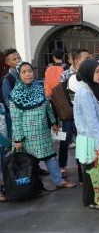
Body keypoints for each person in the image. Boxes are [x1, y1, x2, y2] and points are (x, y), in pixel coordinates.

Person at [10, 61, 76, 191]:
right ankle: (30, 186)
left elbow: (48, 107)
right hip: (26, 137)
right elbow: (15, 120)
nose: (28, 74)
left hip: (42, 132)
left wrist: (53, 123)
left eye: (29, 71)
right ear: (19, 75)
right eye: (24, 72)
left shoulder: (38, 88)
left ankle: (58, 181)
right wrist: (18, 139)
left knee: (50, 156)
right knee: (29, 162)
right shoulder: (15, 95)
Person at [73, 60, 99, 207]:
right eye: (97, 71)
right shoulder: (85, 92)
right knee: (91, 171)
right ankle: (91, 200)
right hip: (91, 138)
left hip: (91, 136)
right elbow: (91, 120)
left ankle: (93, 199)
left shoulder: (89, 87)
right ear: (88, 72)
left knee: (91, 170)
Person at [59, 49, 90, 181]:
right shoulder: (66, 74)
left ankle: (81, 172)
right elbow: (60, 95)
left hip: (83, 116)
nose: (89, 61)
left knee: (82, 141)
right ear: (76, 61)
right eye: (86, 59)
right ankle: (62, 166)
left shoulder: (88, 74)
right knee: (65, 140)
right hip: (68, 115)